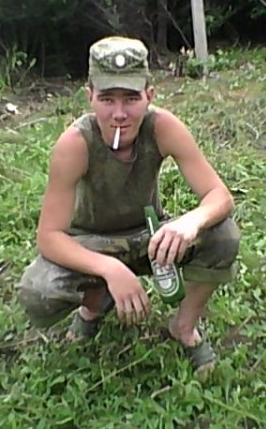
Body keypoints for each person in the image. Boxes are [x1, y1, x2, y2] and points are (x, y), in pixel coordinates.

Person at [17, 35, 241, 375]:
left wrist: (190, 223)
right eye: (107, 99)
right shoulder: (75, 144)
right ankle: (96, 304)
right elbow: (49, 237)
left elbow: (219, 196)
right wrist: (109, 269)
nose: (119, 114)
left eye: (131, 98)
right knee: (38, 289)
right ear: (89, 97)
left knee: (223, 235)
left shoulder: (163, 127)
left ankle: (183, 326)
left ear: (149, 96)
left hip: (150, 237)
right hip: (92, 242)